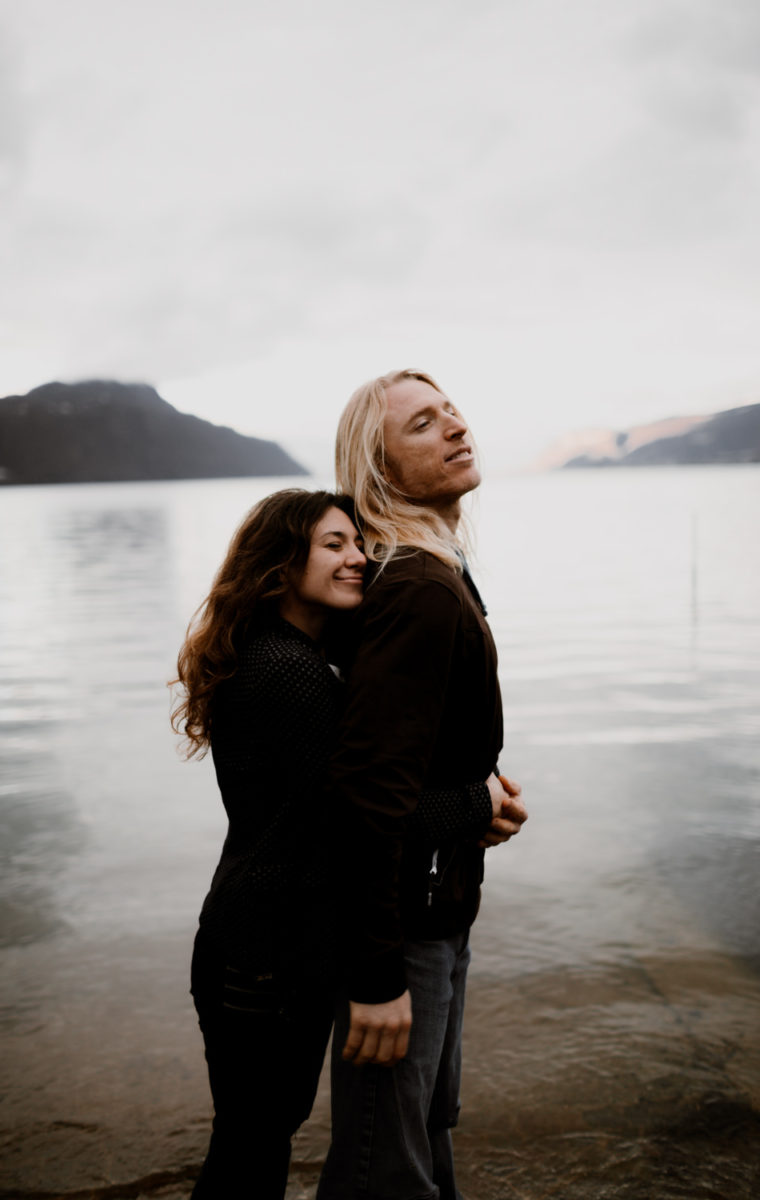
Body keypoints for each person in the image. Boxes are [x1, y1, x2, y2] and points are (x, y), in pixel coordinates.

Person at [171, 487, 508, 1200]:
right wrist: (479, 801)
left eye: (358, 543)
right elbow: (360, 814)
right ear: (280, 561)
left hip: (259, 942)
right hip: (261, 960)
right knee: (252, 1144)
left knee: (256, 1135)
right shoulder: (288, 672)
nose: (359, 558)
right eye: (335, 545)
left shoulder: (293, 654)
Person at [317, 370, 528, 1200]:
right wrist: (377, 979)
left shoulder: (436, 570)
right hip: (402, 929)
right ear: (379, 472)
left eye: (452, 413)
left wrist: (475, 801)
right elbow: (366, 800)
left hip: (438, 906)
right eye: (421, 426)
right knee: (385, 1167)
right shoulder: (415, 588)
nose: (454, 428)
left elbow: (411, 767)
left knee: (425, 1135)